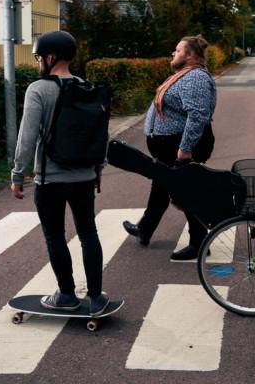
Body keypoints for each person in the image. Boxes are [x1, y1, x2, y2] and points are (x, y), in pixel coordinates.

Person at [11, 30, 109, 316]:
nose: (38, 62)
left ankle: (66, 294)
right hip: (84, 177)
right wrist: (98, 169)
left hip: (51, 180)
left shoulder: (38, 89)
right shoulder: (86, 86)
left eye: (39, 57)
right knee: (88, 233)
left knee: (55, 236)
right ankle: (96, 296)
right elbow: (99, 134)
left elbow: (26, 138)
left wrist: (18, 174)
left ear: (51, 57)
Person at [123, 35, 216, 261]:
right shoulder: (184, 75)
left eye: (177, 50)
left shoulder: (195, 78)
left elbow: (198, 115)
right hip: (170, 144)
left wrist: (185, 149)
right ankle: (145, 228)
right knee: (162, 184)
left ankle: (199, 240)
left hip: (180, 145)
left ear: (189, 55)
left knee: (185, 190)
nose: (173, 53)